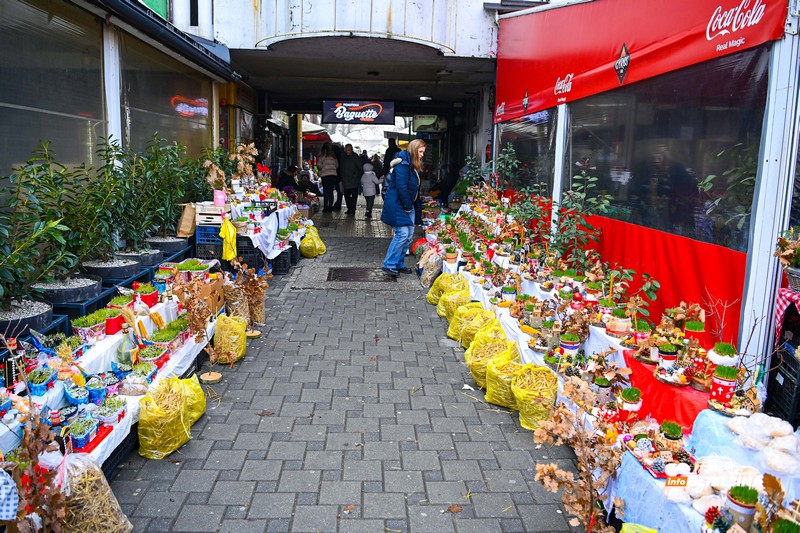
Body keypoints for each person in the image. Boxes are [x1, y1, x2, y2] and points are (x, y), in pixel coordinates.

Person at [381, 139, 425, 277]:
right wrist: (407, 206)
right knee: (402, 234)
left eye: (423, 152)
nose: (422, 155)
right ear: (413, 150)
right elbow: (401, 188)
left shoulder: (411, 165)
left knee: (408, 236)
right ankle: (389, 264)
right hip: (398, 205)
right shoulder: (403, 166)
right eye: (420, 151)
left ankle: (399, 264)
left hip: (407, 205)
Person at [339, 144, 363, 215]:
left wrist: (358, 177)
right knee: (346, 195)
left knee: (354, 196)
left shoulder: (355, 157)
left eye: (348, 150)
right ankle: (349, 208)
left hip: (354, 180)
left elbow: (360, 168)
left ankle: (352, 209)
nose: (347, 151)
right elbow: (341, 167)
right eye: (346, 150)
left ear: (351, 149)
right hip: (345, 180)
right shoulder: (343, 157)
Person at [317, 143, 339, 212]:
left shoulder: (322, 157)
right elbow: (337, 165)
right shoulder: (333, 157)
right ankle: (330, 207)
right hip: (333, 176)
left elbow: (319, 166)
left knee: (326, 192)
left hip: (325, 176)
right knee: (331, 192)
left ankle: (325, 207)